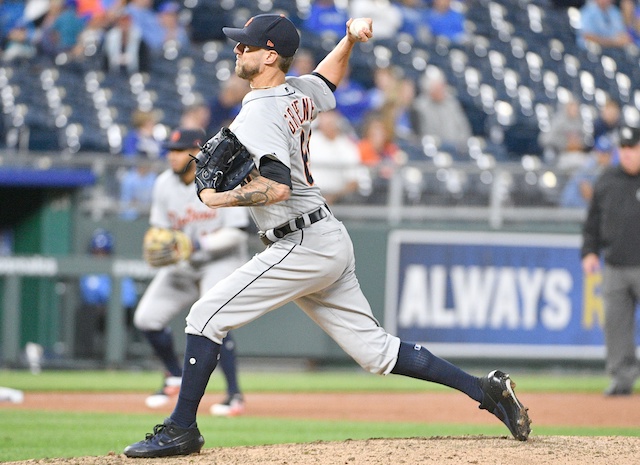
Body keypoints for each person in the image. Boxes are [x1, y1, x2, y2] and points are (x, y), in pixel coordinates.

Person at [123, 15, 531, 458]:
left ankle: (182, 428)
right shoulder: (295, 91)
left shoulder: (259, 111)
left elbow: (277, 187)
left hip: (299, 240)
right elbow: (328, 78)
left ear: (271, 55)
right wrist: (350, 38)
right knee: (376, 353)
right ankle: (484, 391)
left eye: (246, 46)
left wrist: (216, 199)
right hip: (324, 236)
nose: (238, 51)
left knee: (204, 316)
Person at [132, 127, 249, 415]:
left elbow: (238, 232)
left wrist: (196, 243)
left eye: (178, 150)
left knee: (211, 317)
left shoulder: (224, 178)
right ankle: (174, 374)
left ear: (198, 152)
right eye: (169, 151)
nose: (172, 157)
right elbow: (161, 229)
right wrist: (163, 243)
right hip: (185, 263)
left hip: (221, 259)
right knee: (146, 318)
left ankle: (234, 394)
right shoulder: (163, 184)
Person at [581, 125, 640, 396]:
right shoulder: (607, 179)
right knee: (615, 325)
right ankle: (622, 378)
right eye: (623, 148)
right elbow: (592, 221)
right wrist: (590, 252)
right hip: (615, 264)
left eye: (633, 148)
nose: (627, 154)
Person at [76, 228, 138, 358]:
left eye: (103, 252)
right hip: (97, 313)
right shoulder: (87, 268)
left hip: (117, 312)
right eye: (96, 252)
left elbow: (128, 297)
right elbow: (88, 296)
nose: (100, 256)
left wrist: (109, 302)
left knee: (128, 314)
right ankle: (86, 357)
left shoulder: (118, 265)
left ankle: (124, 356)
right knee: (87, 312)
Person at [308, 109, 368, 205]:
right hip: (309, 196)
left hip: (339, 200)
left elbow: (354, 181)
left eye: (331, 116)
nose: (328, 121)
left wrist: (333, 197)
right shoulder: (308, 141)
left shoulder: (347, 145)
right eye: (325, 116)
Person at [412, 68, 471, 159]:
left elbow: (463, 128)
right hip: (435, 151)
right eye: (437, 87)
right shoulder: (420, 107)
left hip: (458, 150)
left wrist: (462, 145)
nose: (442, 89)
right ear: (429, 90)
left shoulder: (452, 103)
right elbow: (426, 133)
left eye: (442, 86)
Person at [559, 135, 614, 208]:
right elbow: (587, 191)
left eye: (607, 154)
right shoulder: (589, 165)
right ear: (596, 152)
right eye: (601, 153)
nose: (604, 157)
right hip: (572, 206)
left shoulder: (608, 167)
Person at [538, 94, 589, 169]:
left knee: (589, 162)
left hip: (576, 154)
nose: (574, 109)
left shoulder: (579, 122)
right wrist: (565, 144)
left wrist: (578, 144)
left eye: (576, 107)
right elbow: (544, 139)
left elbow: (585, 140)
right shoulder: (558, 121)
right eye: (571, 106)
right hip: (560, 154)